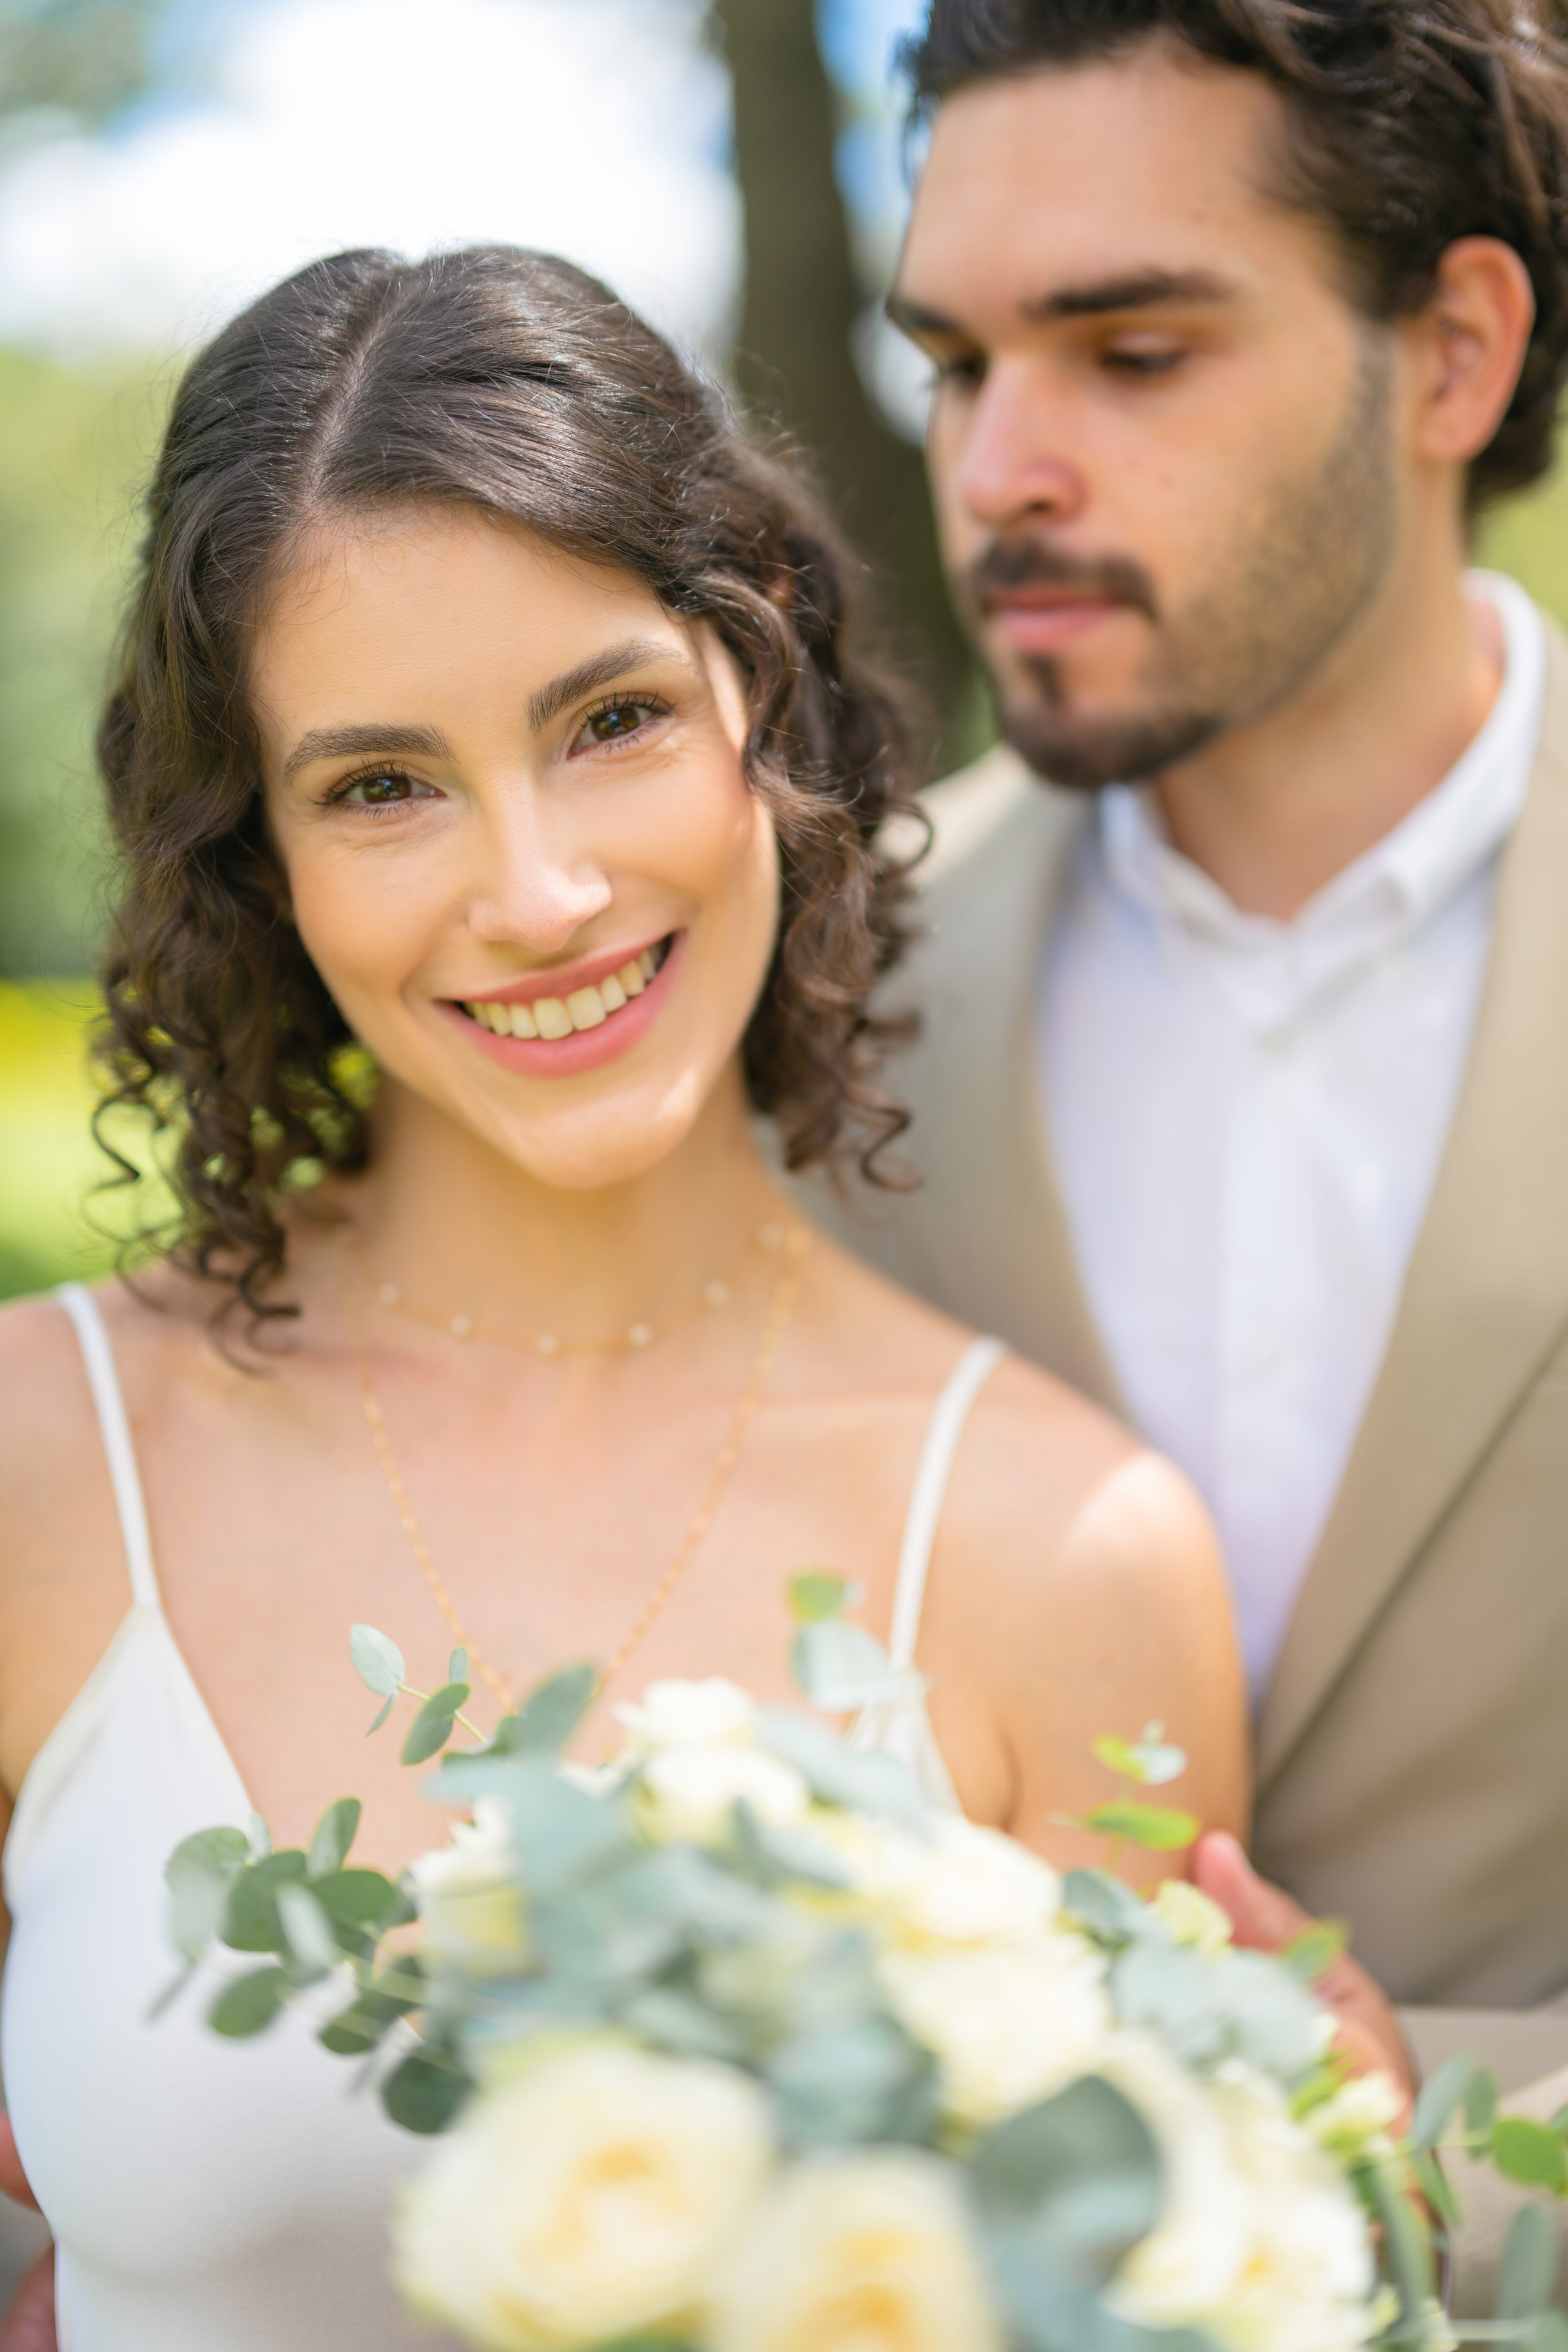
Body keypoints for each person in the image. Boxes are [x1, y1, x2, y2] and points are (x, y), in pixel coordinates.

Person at [0, 245, 1245, 2350]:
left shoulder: (1073, 1553)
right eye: (381, 785)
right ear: (261, 864)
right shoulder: (42, 1459)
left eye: (613, 721)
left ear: (767, 706)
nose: (540, 891)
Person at [812, 0, 1568, 2306]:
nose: (1000, 469)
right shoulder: (805, 1000)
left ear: (1450, 349)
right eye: (955, 362)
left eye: (1130, 353)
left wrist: (1417, 2139)